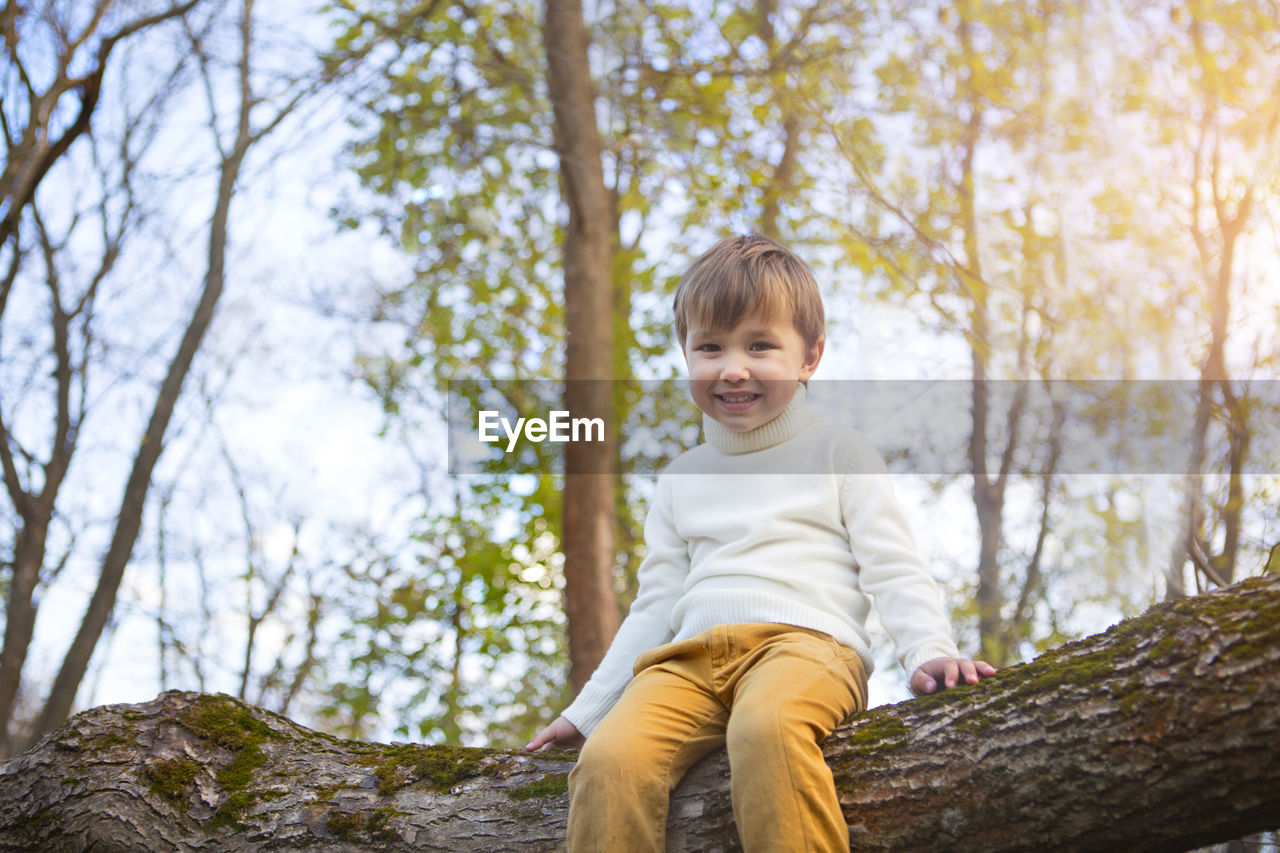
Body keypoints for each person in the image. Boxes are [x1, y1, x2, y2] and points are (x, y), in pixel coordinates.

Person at [526, 234, 996, 852]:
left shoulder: (840, 453)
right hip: (687, 666)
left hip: (806, 650)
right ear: (686, 354)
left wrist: (928, 650)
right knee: (612, 760)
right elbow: (655, 607)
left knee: (767, 728)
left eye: (760, 345)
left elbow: (894, 567)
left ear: (810, 357)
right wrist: (587, 713)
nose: (733, 368)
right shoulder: (680, 479)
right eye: (710, 347)